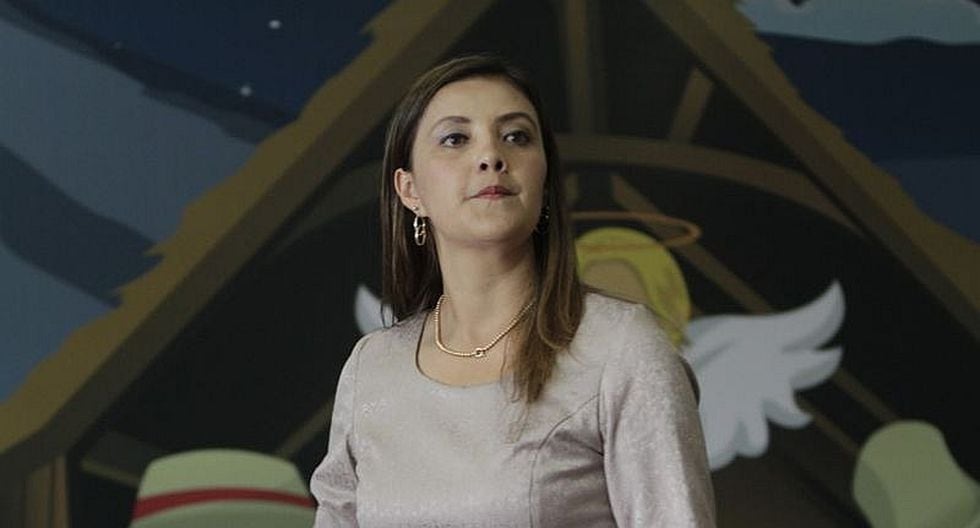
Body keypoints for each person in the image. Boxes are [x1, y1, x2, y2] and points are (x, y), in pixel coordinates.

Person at [310, 53, 715, 527]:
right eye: (456, 138)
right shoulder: (371, 369)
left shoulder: (620, 348)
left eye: (516, 136)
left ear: (544, 177)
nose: (491, 156)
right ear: (410, 189)